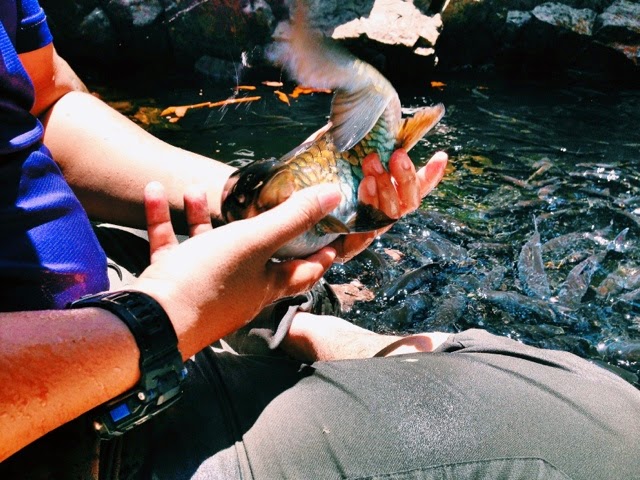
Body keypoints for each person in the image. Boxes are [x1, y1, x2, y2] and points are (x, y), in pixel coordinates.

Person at [0, 2, 639, 479]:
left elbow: (45, 99)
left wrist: (256, 199)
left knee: (525, 381)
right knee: (606, 432)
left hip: (121, 325)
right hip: (75, 434)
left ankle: (278, 332)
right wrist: (158, 325)